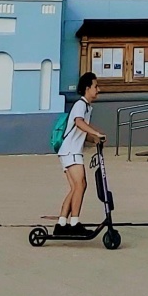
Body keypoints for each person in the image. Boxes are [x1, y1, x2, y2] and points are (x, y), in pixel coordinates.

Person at [55, 73, 107, 234]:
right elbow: (79, 123)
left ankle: (61, 224)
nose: (98, 90)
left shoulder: (87, 107)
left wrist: (95, 139)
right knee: (81, 185)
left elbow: (80, 132)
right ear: (87, 88)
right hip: (71, 151)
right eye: (95, 86)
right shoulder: (81, 104)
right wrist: (96, 133)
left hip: (69, 151)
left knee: (75, 188)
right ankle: (74, 224)